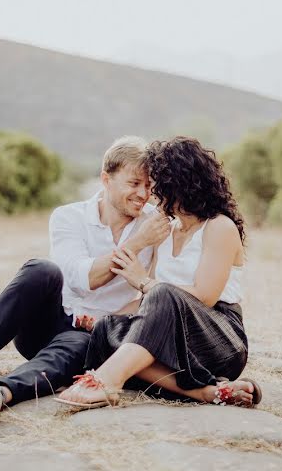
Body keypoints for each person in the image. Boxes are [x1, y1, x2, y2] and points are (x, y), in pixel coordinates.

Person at [0, 136, 170, 422]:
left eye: (149, 186)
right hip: (45, 324)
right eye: (134, 183)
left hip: (95, 334)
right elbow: (84, 278)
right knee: (42, 269)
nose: (143, 194)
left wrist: (108, 323)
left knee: (79, 346)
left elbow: (155, 296)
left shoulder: (156, 226)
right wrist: (138, 242)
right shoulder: (69, 217)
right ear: (106, 179)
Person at [54, 136, 261, 409]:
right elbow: (149, 305)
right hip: (170, 337)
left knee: (162, 291)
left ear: (179, 184)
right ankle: (206, 392)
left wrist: (143, 281)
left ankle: (107, 381)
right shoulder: (166, 231)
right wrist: (103, 318)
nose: (148, 195)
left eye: (155, 185)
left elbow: (205, 296)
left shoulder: (219, 227)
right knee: (106, 329)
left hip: (218, 337)